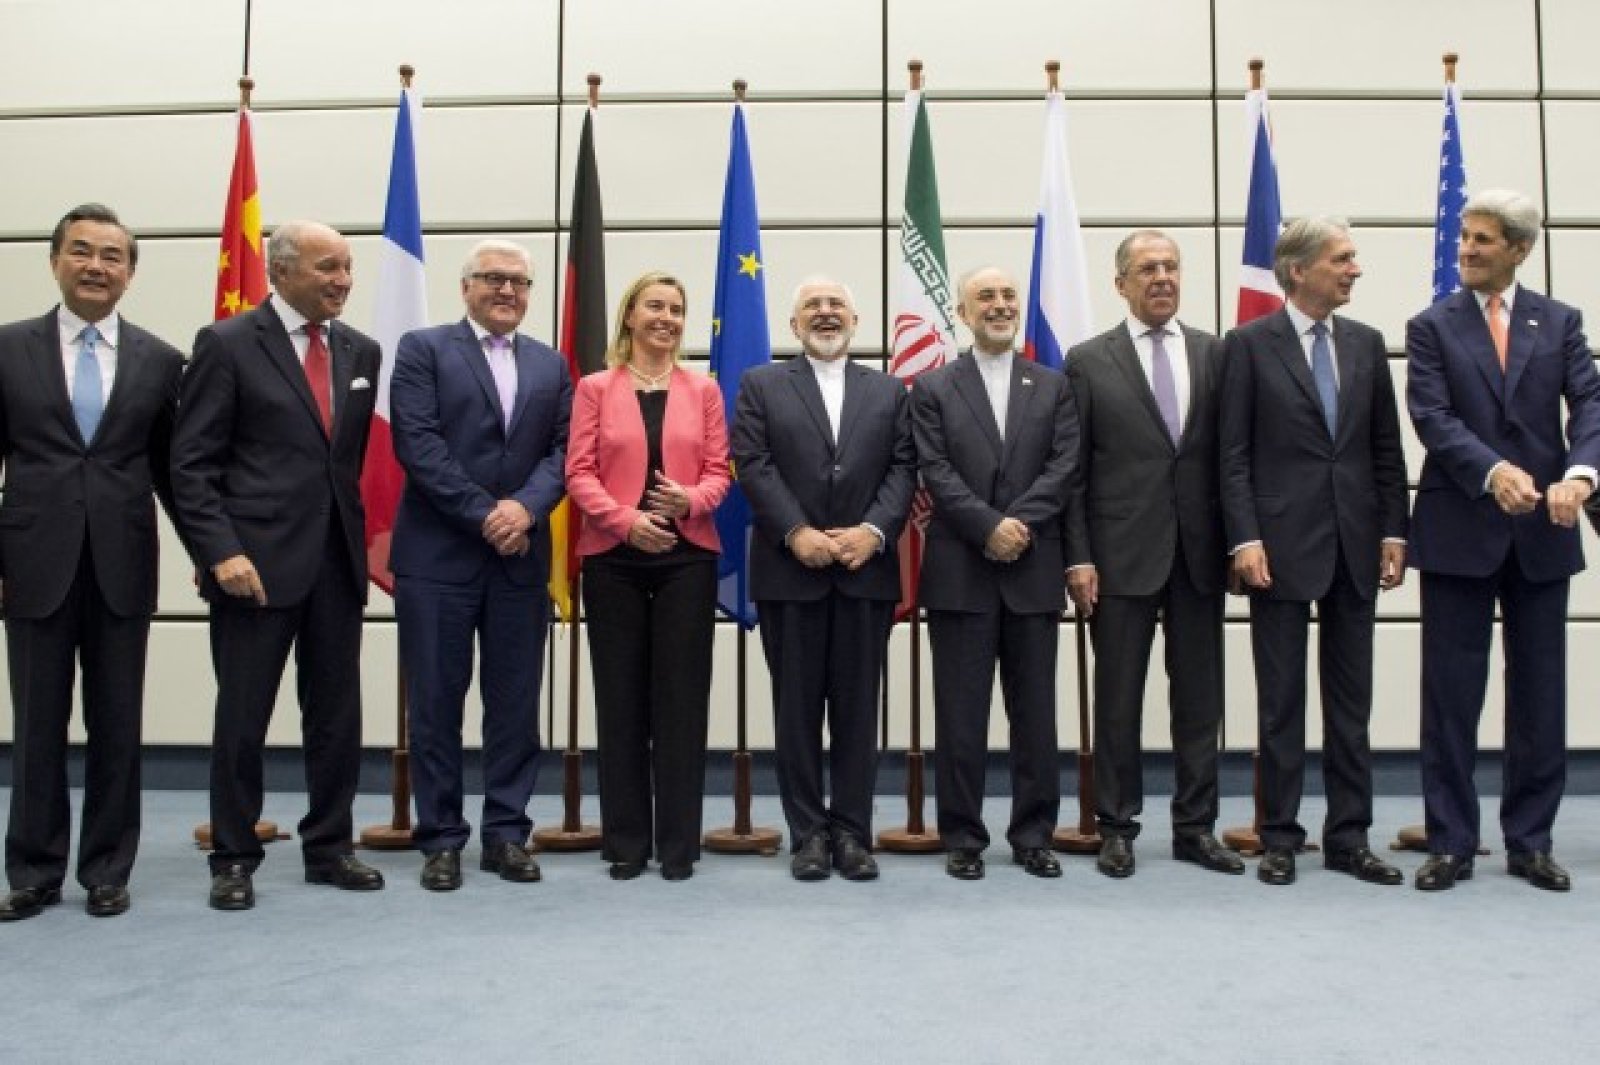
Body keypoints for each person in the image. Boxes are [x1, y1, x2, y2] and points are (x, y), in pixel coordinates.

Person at [171, 220, 384, 910]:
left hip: (336, 563)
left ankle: (330, 847)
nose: (342, 280)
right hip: (252, 567)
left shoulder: (360, 349)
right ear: (281, 271)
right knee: (243, 718)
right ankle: (234, 856)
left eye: (347, 267)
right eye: (328, 267)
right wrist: (219, 551)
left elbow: (344, 463)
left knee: (336, 717)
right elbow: (191, 464)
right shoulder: (227, 343)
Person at [1407, 189, 1600, 893]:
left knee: (1540, 695)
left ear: (1519, 249)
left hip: (1545, 530)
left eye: (1482, 239)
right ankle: (1450, 841)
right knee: (1450, 696)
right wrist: (1493, 473)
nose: (1466, 249)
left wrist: (1580, 475)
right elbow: (1432, 416)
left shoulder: (1560, 321)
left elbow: (1591, 403)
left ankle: (1531, 841)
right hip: (1460, 528)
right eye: (1465, 237)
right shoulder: (1432, 325)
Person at [0, 204, 184, 921]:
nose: (96, 267)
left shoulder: (160, 360)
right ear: (54, 261)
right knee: (36, 726)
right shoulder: (8, 349)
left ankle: (108, 868)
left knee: (117, 724)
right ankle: (34, 870)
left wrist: (215, 553)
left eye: (112, 256)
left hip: (122, 565)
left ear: (130, 273)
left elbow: (173, 474)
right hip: (33, 563)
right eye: (81, 251)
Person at [1218, 217, 1408, 888]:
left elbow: (1385, 448)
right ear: (1298, 270)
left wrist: (1394, 531)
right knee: (1281, 704)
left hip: (1356, 545)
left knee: (1351, 706)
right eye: (1342, 258)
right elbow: (1232, 454)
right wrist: (1244, 538)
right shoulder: (1248, 345)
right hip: (1277, 550)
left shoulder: (1366, 342)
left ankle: (1350, 837)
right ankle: (1280, 835)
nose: (1355, 269)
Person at [390, 240, 573, 892]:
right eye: (493, 278)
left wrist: (524, 510)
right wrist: (487, 515)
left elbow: (565, 451)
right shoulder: (423, 349)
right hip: (437, 558)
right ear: (466, 286)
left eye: (519, 282)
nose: (507, 291)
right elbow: (417, 442)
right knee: (435, 704)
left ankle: (506, 834)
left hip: (520, 562)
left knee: (516, 707)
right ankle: (441, 839)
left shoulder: (551, 363)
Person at [1064, 231, 1241, 880]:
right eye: (1147, 268)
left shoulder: (1215, 353)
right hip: (1119, 557)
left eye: (1171, 266)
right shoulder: (1088, 360)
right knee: (1118, 701)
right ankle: (1116, 826)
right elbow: (1074, 472)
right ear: (1121, 284)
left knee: (1200, 702)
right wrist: (1078, 557)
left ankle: (1196, 828)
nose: (1162, 277)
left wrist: (1238, 541)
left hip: (1199, 556)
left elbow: (1232, 459)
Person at [732, 278, 915, 882]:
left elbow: (904, 468)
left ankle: (853, 834)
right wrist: (796, 531)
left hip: (866, 571)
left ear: (855, 320)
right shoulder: (761, 385)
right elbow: (752, 464)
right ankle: (808, 834)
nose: (826, 313)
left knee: (859, 714)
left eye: (837, 305)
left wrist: (873, 531)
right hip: (791, 572)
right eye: (812, 305)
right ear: (794, 325)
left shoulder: (889, 390)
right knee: (796, 712)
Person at [910, 266, 1077, 881]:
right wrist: (987, 527)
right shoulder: (933, 387)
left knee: (1035, 715)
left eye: (1008, 296)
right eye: (986, 297)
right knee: (961, 717)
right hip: (961, 573)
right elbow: (934, 469)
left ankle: (1034, 835)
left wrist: (1017, 525)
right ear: (963, 312)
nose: (1000, 305)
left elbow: (1064, 466)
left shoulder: (1054, 385)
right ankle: (963, 836)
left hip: (1032, 570)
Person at [565, 272, 730, 881]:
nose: (666, 317)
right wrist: (626, 521)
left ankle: (679, 845)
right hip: (614, 558)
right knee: (621, 701)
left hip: (688, 558)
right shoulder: (595, 388)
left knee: (682, 702)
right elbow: (578, 472)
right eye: (654, 306)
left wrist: (691, 501)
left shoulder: (704, 389)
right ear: (629, 315)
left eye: (677, 309)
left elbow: (720, 471)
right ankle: (627, 842)